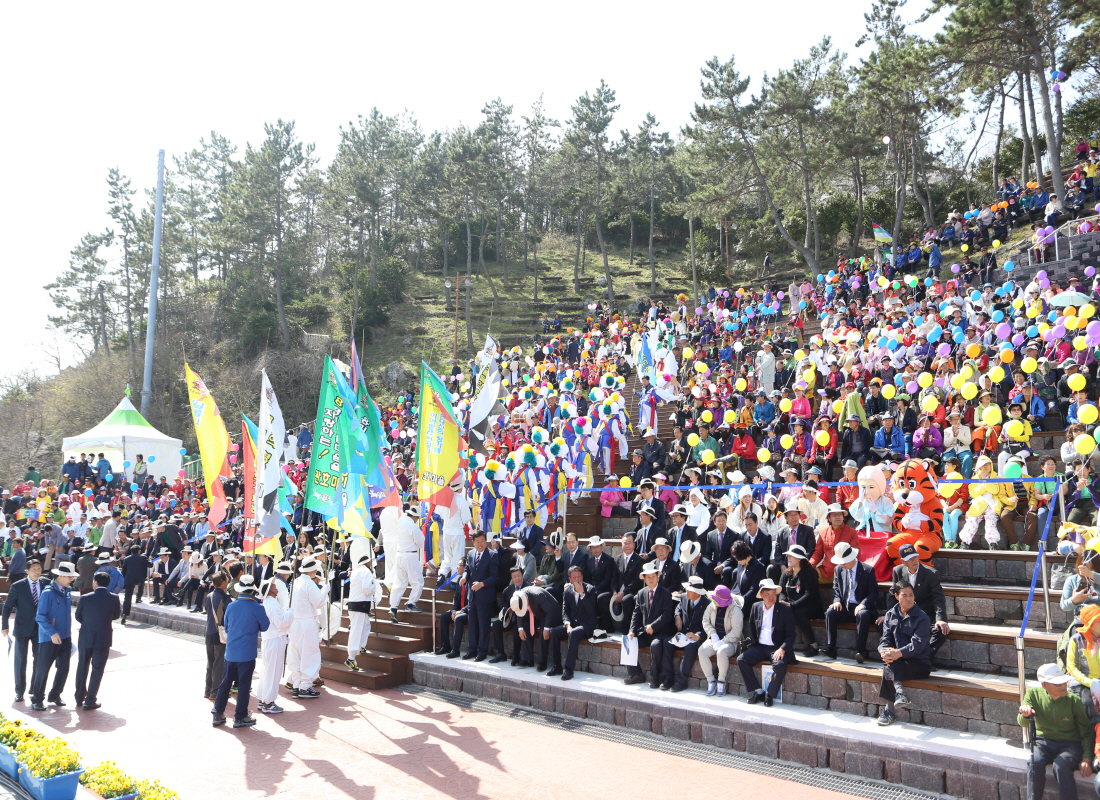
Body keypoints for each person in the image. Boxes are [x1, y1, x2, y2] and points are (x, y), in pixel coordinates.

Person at [1018, 664, 1094, 800]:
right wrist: (1025, 714)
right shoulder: (1033, 694)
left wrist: (1086, 758)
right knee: (1035, 761)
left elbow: (1086, 731)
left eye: (1064, 681)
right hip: (1043, 742)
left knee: (1061, 766)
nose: (1063, 685)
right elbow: (1022, 722)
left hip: (1070, 744)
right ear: (1044, 685)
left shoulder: (1073, 701)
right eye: (1058, 683)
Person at [212, 574, 270, 728]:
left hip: (231, 652)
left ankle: (218, 713)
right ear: (253, 590)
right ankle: (240, 716)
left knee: (225, 684)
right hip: (247, 654)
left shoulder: (231, 605)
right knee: (244, 685)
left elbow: (228, 626)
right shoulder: (258, 607)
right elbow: (265, 627)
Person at [880, 543, 950, 661]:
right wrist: (888, 614)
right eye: (910, 559)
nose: (914, 560)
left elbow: (939, 598)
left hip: (925, 615)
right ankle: (894, 655)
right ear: (903, 561)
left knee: (942, 631)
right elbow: (893, 595)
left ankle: (923, 658)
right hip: (904, 614)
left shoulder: (931, 574)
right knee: (883, 624)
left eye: (915, 557)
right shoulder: (897, 571)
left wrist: (940, 619)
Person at [876, 581, 932, 726]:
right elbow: (885, 639)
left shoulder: (922, 618)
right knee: (888, 661)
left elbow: (918, 645)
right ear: (896, 596)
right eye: (904, 595)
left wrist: (897, 653)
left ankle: (889, 710)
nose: (909, 598)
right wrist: (884, 652)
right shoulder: (890, 615)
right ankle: (899, 693)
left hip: (919, 664)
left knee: (888, 666)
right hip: (898, 661)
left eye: (911, 595)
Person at [737, 578, 797, 707]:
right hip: (760, 646)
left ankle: (769, 694)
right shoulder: (756, 607)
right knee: (741, 660)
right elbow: (752, 627)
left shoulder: (785, 610)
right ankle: (758, 691)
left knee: (780, 665)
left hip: (777, 647)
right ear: (762, 595)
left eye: (773, 594)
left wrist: (782, 649)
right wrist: (755, 643)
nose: (771, 597)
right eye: (768, 594)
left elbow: (791, 634)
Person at [30, 561, 78, 711]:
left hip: (65, 637)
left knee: (63, 668)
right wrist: (52, 632)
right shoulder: (48, 593)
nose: (72, 579)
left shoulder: (67, 591)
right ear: (61, 576)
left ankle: (55, 694)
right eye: (69, 577)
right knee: (43, 669)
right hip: (49, 638)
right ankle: (37, 699)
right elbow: (40, 616)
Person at [822, 542, 878, 663]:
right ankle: (831, 648)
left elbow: (873, 593)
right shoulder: (838, 569)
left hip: (861, 608)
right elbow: (836, 588)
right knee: (830, 612)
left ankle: (860, 651)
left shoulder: (867, 570)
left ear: (853, 558)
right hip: (845, 607)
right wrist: (836, 601)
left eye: (844, 562)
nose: (842, 565)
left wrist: (863, 604)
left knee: (863, 615)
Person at [73, 571, 121, 710]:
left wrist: (88, 622)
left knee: (82, 666)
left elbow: (78, 616)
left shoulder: (85, 598)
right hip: (103, 637)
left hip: (86, 636)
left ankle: (79, 697)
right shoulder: (114, 598)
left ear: (95, 582)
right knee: (97, 669)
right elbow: (116, 616)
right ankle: (90, 700)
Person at [1, 559, 48, 702]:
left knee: (39, 659)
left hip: (40, 628)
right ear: (27, 571)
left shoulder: (46, 583)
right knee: (20, 660)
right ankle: (19, 690)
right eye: (34, 569)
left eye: (39, 569)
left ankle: (34, 687)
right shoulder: (18, 586)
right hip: (22, 628)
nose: (37, 572)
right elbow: (7, 607)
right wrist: (4, 626)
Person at [624, 561, 676, 687]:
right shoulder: (641, 593)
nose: (651, 579)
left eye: (653, 576)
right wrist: (632, 630)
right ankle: (636, 674)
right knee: (627, 642)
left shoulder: (665, 593)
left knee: (656, 645)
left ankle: (655, 677)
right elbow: (636, 614)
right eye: (648, 577)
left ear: (658, 577)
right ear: (645, 579)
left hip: (661, 632)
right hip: (645, 632)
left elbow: (667, 615)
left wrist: (654, 626)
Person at [548, 564, 597, 680]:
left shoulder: (590, 589)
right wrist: (567, 625)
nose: (577, 580)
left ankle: (569, 670)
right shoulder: (567, 591)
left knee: (574, 634)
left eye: (579, 577)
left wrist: (582, 594)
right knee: (554, 632)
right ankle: (557, 666)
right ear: (569, 579)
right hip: (573, 624)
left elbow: (590, 610)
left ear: (582, 577)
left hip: (587, 625)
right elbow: (564, 612)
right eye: (574, 577)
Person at [287, 556, 325, 699]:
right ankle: (305, 686)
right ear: (313, 570)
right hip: (306, 621)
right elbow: (319, 602)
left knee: (296, 652)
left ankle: (297, 683)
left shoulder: (296, 581)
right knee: (309, 653)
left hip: (295, 621)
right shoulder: (309, 583)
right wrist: (325, 591)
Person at [665, 575, 710, 692]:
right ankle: (667, 678)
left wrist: (698, 636)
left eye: (689, 589)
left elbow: (709, 625)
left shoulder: (707, 604)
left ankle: (681, 681)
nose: (686, 591)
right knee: (667, 643)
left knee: (690, 648)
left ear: (697, 593)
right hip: (683, 634)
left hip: (696, 636)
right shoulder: (684, 597)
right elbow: (679, 608)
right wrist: (677, 616)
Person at [697, 584, 744, 697]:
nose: (713, 600)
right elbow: (705, 620)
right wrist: (713, 635)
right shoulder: (712, 605)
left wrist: (722, 641)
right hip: (714, 639)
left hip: (730, 642)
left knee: (721, 651)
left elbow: (736, 632)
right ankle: (711, 681)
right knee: (702, 651)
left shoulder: (735, 610)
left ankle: (721, 681)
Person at [256, 577, 293, 715]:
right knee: (273, 672)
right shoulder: (272, 603)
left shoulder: (269, 602)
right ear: (269, 590)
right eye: (273, 585)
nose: (276, 587)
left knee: (267, 670)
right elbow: (282, 623)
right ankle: (268, 702)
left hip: (270, 639)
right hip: (275, 639)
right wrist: (290, 612)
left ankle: (263, 698)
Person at [779, 544, 823, 656]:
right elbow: (781, 591)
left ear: (799, 558)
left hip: (811, 606)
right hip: (792, 605)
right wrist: (783, 602)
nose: (788, 558)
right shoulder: (786, 574)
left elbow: (810, 595)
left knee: (798, 613)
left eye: (791, 556)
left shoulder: (809, 573)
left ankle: (813, 644)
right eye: (788, 556)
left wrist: (792, 605)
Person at [462, 530, 498, 662]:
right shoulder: (471, 553)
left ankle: (482, 651)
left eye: (482, 541)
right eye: (477, 541)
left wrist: (482, 584)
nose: (480, 544)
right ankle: (472, 649)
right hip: (472, 596)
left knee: (483, 624)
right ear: (473, 542)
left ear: (486, 541)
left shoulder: (492, 555)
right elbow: (467, 569)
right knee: (472, 624)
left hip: (485, 596)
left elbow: (494, 576)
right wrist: (465, 577)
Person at [385, 506, 426, 618]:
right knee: (417, 581)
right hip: (410, 555)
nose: (417, 519)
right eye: (417, 517)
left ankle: (393, 608)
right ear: (414, 516)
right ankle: (411, 604)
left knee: (399, 583)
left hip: (399, 554)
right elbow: (421, 541)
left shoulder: (400, 523)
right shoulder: (412, 526)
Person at [345, 551, 377, 672]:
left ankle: (362, 646)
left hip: (354, 604)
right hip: (360, 604)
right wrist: (374, 588)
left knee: (365, 625)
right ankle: (351, 658)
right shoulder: (366, 572)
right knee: (356, 630)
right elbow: (366, 589)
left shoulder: (356, 571)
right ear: (367, 562)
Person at [203, 573, 230, 701]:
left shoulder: (209, 596)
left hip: (209, 631)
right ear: (223, 582)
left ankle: (207, 690)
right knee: (219, 663)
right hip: (220, 633)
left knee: (210, 662)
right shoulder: (226, 598)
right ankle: (215, 691)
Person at [438, 559, 469, 657]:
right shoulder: (460, 580)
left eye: (459, 565)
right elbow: (456, 598)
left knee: (458, 619)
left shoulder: (471, 581)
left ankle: (456, 649)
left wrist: (461, 611)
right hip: (459, 610)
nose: (457, 567)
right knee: (443, 617)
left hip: (469, 611)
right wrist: (454, 610)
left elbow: (473, 602)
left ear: (465, 567)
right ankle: (446, 646)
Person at [120, 544, 150, 624]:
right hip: (140, 578)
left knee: (127, 597)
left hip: (129, 579)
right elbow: (150, 565)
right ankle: (138, 598)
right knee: (141, 585)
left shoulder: (126, 559)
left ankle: (124, 614)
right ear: (139, 551)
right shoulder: (142, 557)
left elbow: (124, 570)